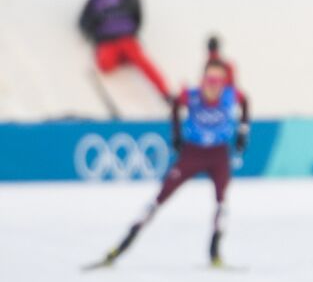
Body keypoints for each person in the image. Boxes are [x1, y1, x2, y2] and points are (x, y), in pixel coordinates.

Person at [91, 61, 250, 269]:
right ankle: (121, 247)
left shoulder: (231, 95)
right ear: (202, 80)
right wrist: (176, 136)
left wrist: (242, 133)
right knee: (159, 199)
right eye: (210, 80)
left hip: (218, 154)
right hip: (193, 153)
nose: (214, 85)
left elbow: (245, 102)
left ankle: (215, 253)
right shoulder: (191, 95)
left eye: (219, 81)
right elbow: (175, 104)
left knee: (222, 203)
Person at [79, 0, 170, 99]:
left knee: (143, 62)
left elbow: (137, 13)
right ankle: (123, 58)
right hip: (107, 41)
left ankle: (164, 91)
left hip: (126, 38)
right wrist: (92, 33)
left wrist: (134, 28)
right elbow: (84, 21)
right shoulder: (94, 1)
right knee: (105, 65)